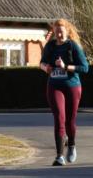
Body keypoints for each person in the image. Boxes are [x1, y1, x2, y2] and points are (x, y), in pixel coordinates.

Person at [38, 19, 89, 166]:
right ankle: (59, 155)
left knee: (70, 120)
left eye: (61, 31)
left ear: (67, 31)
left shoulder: (73, 46)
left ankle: (71, 145)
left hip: (72, 85)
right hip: (54, 85)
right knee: (59, 118)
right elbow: (41, 62)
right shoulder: (50, 46)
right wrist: (45, 68)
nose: (59, 34)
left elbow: (85, 68)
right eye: (56, 31)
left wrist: (66, 66)